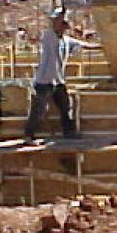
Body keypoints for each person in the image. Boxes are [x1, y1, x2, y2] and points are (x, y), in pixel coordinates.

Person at [24, 9, 97, 142]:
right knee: (39, 109)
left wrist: (101, 46)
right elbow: (54, 23)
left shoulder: (66, 40)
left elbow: (84, 45)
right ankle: (29, 135)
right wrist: (62, 12)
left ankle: (69, 132)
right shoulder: (49, 36)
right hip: (44, 81)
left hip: (57, 80)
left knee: (65, 107)